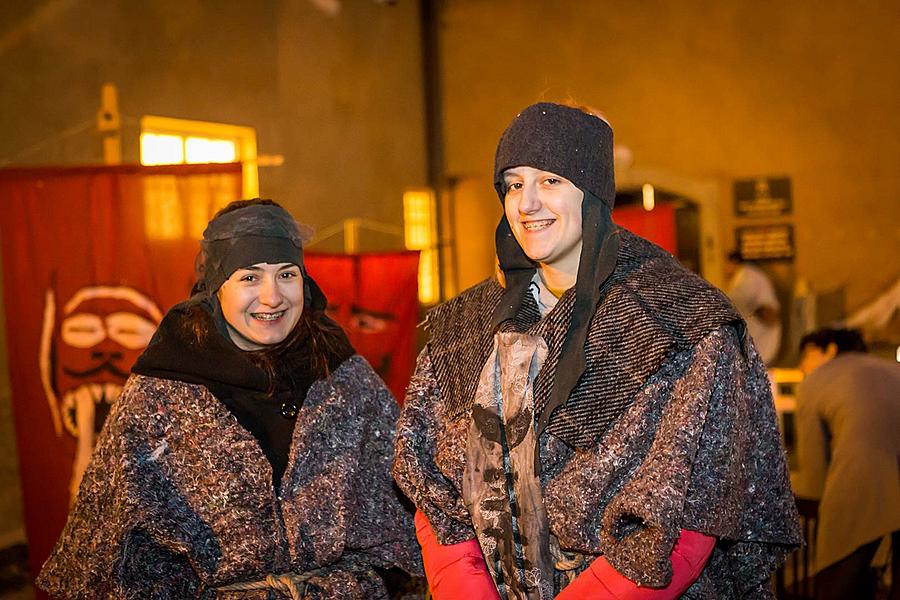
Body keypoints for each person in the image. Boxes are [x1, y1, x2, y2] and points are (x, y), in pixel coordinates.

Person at [393, 102, 800, 599]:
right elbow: (435, 495)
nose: (527, 205)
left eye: (551, 181)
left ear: (594, 193)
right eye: (514, 184)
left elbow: (693, 516)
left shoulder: (682, 322)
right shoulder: (468, 327)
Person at [38, 199, 419, 599]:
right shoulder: (161, 394)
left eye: (286, 274)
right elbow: (105, 552)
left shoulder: (343, 378)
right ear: (217, 286)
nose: (272, 298)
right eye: (249, 278)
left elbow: (409, 511)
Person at [794, 328, 900, 600]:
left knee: (839, 580)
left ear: (830, 349)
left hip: (864, 481)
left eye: (807, 354)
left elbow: (814, 473)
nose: (802, 364)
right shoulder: (892, 369)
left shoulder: (815, 381)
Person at [724, 250, 781, 365]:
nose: (725, 269)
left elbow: (768, 311)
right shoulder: (742, 278)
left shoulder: (749, 278)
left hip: (761, 338)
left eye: (726, 264)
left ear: (733, 262)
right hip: (754, 339)